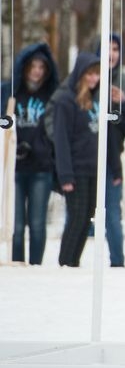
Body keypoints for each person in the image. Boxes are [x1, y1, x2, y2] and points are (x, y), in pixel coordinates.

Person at [1, 43, 59, 265]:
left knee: (37, 223)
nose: (37, 71)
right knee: (15, 224)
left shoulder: (51, 95)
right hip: (14, 168)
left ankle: (36, 266)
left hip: (41, 168)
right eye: (33, 66)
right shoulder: (10, 93)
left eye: (41, 67)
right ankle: (18, 264)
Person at [88, 33, 125, 267]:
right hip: (84, 156)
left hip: (112, 158)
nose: (111, 54)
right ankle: (71, 263)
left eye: (115, 49)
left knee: (112, 213)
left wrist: (124, 104)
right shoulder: (85, 78)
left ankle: (117, 261)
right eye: (106, 49)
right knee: (80, 212)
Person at [51, 53, 104, 267]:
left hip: (93, 169)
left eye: (97, 75)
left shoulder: (96, 99)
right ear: (80, 74)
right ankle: (66, 261)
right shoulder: (65, 101)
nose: (93, 79)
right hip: (76, 170)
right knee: (77, 217)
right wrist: (65, 175)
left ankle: (74, 261)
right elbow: (61, 140)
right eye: (89, 74)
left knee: (87, 217)